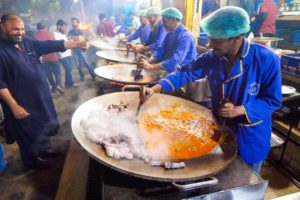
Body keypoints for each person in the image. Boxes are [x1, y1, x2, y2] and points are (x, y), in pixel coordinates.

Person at [139, 6, 282, 174]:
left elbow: (272, 101)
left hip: (250, 136)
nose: (210, 44)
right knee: (222, 177)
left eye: (217, 40)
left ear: (237, 37)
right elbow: (185, 72)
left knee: (243, 180)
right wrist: (155, 88)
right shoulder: (213, 56)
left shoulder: (266, 59)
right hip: (220, 130)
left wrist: (240, 110)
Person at [0, 13, 89, 169]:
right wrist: (14, 106)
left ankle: (44, 150)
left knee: (43, 126)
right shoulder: (2, 50)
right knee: (28, 133)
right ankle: (32, 162)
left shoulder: (26, 42)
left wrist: (76, 43)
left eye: (21, 29)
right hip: (22, 102)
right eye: (15, 29)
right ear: (3, 27)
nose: (20, 32)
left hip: (40, 96)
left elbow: (50, 45)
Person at [139, 7, 197, 73]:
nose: (163, 24)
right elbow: (160, 50)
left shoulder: (186, 36)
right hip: (172, 68)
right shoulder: (169, 34)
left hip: (185, 71)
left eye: (164, 21)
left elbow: (176, 60)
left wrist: (151, 67)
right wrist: (149, 61)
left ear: (173, 20)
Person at [34, 21, 64, 95]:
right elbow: (55, 45)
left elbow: (35, 49)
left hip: (44, 59)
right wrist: (58, 54)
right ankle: (58, 85)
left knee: (48, 74)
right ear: (45, 27)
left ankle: (53, 87)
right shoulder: (50, 34)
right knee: (57, 72)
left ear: (37, 28)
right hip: (54, 57)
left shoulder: (35, 37)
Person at [54, 19, 77, 88]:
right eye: (63, 27)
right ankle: (70, 84)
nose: (65, 29)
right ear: (58, 26)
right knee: (68, 68)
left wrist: (70, 40)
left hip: (68, 54)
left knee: (69, 69)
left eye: (65, 27)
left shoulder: (63, 34)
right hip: (62, 55)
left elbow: (66, 43)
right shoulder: (55, 34)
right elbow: (58, 45)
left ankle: (68, 83)